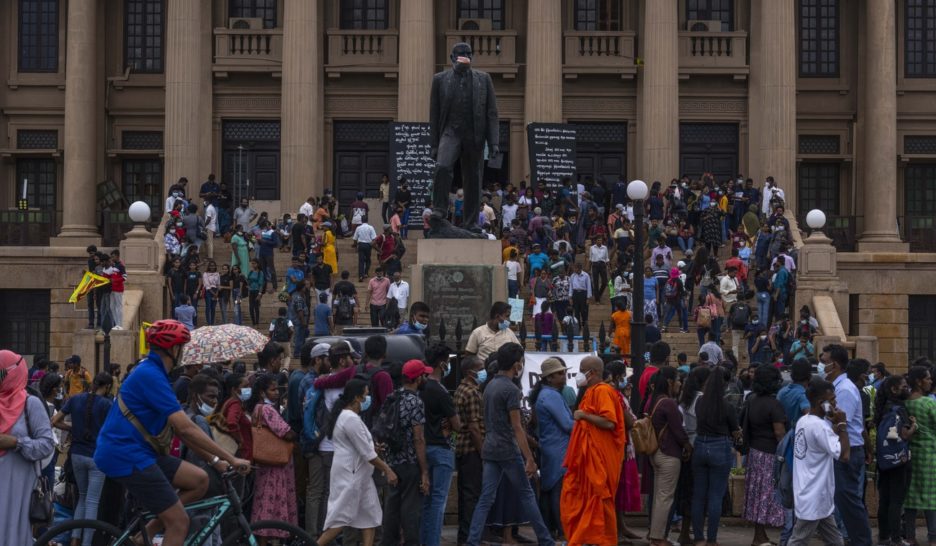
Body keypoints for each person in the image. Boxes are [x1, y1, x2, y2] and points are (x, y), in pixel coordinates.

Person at [94, 320, 251, 546]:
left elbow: (184, 432)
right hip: (126, 454)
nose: (184, 352)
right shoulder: (150, 375)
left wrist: (215, 462)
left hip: (141, 452)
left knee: (199, 480)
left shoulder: (155, 372)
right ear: (173, 349)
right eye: (182, 347)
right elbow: (186, 428)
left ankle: (144, 535)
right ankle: (150, 532)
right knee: (179, 522)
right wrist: (231, 458)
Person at [465, 343, 554, 546]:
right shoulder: (511, 389)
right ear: (516, 365)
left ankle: (472, 540)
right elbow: (516, 427)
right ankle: (545, 539)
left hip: (490, 447)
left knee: (486, 498)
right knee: (527, 494)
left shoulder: (489, 386)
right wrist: (529, 458)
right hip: (507, 448)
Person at [317, 379, 398, 546]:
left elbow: (363, 447)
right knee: (340, 520)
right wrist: (388, 470)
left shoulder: (349, 417)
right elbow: (367, 453)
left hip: (360, 475)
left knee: (369, 517)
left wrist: (374, 447)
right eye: (365, 396)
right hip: (351, 475)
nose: (367, 400)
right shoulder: (350, 419)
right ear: (356, 398)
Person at [561, 356, 626, 546]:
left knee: (599, 500)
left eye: (583, 370)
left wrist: (584, 416)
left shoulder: (603, 391)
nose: (579, 374)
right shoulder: (590, 392)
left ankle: (602, 541)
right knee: (576, 498)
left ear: (594, 372)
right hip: (587, 460)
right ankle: (587, 539)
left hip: (600, 460)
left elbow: (609, 422)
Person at [0, 350, 56, 545]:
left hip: (19, 488)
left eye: (1, 374)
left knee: (13, 533)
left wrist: (16, 442)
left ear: (14, 373)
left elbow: (47, 444)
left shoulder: (30, 404)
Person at [52, 372, 114, 546]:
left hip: (76, 455)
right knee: (93, 501)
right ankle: (86, 543)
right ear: (107, 387)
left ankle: (74, 540)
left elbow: (55, 421)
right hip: (96, 456)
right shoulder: (107, 405)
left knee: (82, 497)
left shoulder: (75, 399)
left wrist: (73, 428)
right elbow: (113, 432)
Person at [821, 344, 872, 546]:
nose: (821, 365)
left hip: (848, 451)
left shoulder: (845, 390)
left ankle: (862, 541)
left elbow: (841, 424)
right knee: (843, 500)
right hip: (842, 450)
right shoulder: (837, 388)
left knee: (849, 501)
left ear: (835, 364)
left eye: (824, 361)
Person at [788, 378, 849, 546]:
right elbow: (844, 455)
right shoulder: (819, 426)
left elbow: (822, 443)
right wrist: (843, 424)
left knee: (835, 540)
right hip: (813, 496)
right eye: (832, 400)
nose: (836, 403)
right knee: (798, 541)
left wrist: (835, 427)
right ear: (821, 402)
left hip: (816, 494)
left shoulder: (804, 420)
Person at [381, 359, 431, 546]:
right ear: (417, 378)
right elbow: (418, 438)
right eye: (424, 375)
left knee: (392, 508)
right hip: (410, 462)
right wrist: (424, 471)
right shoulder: (415, 401)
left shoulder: (393, 397)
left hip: (393, 460)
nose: (426, 377)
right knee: (411, 510)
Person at [691, 366, 741, 545]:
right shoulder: (727, 406)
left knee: (698, 495)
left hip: (700, 445)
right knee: (715, 496)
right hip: (720, 447)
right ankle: (711, 539)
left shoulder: (699, 403)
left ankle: (698, 537)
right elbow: (735, 431)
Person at [246, 373, 299, 542]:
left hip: (264, 462)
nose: (276, 393)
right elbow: (286, 433)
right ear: (262, 392)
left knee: (263, 503)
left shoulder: (256, 409)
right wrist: (294, 433)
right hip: (275, 465)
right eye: (273, 389)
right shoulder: (267, 409)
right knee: (274, 503)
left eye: (277, 389)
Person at [420, 345, 462, 546]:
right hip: (441, 448)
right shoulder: (441, 391)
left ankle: (425, 540)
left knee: (427, 502)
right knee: (438, 501)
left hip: (424, 446)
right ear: (442, 363)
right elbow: (457, 425)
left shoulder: (421, 387)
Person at [743, 366, 788, 545]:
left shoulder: (752, 400)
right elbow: (779, 433)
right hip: (770, 455)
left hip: (755, 452)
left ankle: (759, 535)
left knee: (756, 494)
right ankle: (760, 538)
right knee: (766, 494)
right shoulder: (774, 404)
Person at [646, 366, 690, 546]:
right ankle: (657, 538)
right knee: (665, 497)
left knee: (659, 496)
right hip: (668, 454)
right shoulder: (669, 403)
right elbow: (679, 431)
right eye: (678, 379)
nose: (680, 383)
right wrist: (687, 444)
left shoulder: (654, 400)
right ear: (670, 382)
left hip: (656, 452)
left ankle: (655, 535)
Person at [531, 357, 573, 538]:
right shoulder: (551, 396)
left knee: (551, 491)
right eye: (560, 373)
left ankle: (551, 530)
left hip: (551, 448)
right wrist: (586, 421)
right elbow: (567, 424)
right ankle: (563, 530)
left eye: (564, 372)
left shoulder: (547, 394)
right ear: (549, 378)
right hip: (558, 450)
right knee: (558, 492)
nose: (564, 376)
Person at [872, 375, 916, 545]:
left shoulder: (883, 408)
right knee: (896, 501)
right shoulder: (900, 409)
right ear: (894, 389)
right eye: (904, 386)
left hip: (885, 460)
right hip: (900, 460)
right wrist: (914, 427)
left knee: (885, 499)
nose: (907, 389)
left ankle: (883, 537)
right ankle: (896, 539)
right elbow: (904, 435)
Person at [454, 356, 486, 544]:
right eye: (480, 368)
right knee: (472, 495)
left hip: (462, 448)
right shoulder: (472, 393)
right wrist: (483, 452)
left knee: (466, 494)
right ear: (470, 372)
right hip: (472, 449)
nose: (483, 371)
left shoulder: (460, 389)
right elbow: (474, 428)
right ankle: (470, 537)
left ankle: (465, 535)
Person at [903, 366, 936, 543]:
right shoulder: (929, 403)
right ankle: (933, 537)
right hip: (930, 454)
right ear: (918, 381)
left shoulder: (905, 403)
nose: (931, 381)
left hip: (910, 454)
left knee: (910, 497)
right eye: (928, 378)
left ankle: (910, 536)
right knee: (932, 497)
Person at [352, 215, 377, 281]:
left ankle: (360, 276)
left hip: (361, 245)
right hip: (368, 245)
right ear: (367, 220)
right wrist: (372, 244)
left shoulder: (358, 228)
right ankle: (366, 273)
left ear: (361, 220)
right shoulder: (371, 227)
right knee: (368, 259)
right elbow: (374, 238)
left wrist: (355, 245)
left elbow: (355, 238)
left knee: (361, 261)